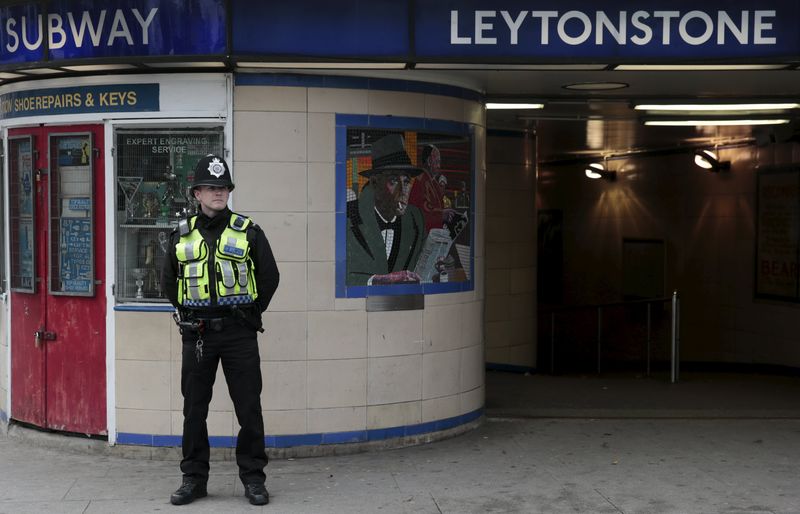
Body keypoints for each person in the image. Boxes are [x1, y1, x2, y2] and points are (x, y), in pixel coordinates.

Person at [161, 154, 279, 506]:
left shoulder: (249, 232)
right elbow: (169, 282)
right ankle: (193, 478)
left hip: (238, 333)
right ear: (196, 193)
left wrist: (248, 314)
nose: (219, 193)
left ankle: (254, 479)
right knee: (194, 409)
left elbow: (270, 277)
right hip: (196, 334)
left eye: (223, 187)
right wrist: (189, 316)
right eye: (211, 188)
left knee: (249, 408)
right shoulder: (181, 235)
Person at [346, 134, 426, 286]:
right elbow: (336, 274)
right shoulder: (349, 216)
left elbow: (421, 266)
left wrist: (437, 266)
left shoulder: (416, 219)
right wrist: (378, 281)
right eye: (394, 181)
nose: (403, 191)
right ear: (375, 183)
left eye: (407, 181)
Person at [408, 144, 457, 234]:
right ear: (429, 161)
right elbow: (423, 212)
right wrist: (442, 214)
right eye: (437, 162)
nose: (439, 166)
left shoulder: (432, 182)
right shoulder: (421, 181)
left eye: (439, 162)